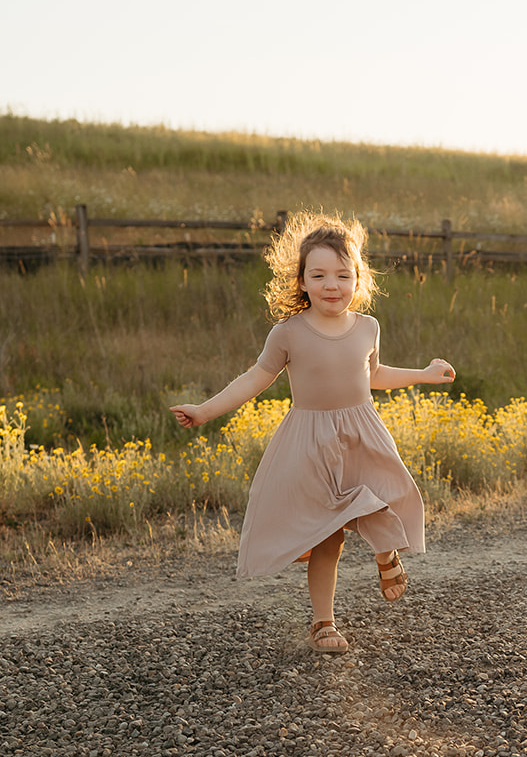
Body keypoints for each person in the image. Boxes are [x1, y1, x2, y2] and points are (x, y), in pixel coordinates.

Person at [171, 212, 455, 654]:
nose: (331, 284)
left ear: (358, 280)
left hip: (362, 434)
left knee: (378, 498)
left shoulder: (367, 328)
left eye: (343, 275)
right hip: (311, 443)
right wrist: (205, 411)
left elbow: (374, 375)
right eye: (319, 274)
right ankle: (323, 623)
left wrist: (424, 373)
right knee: (328, 535)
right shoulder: (288, 333)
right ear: (301, 280)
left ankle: (385, 552)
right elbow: (253, 379)